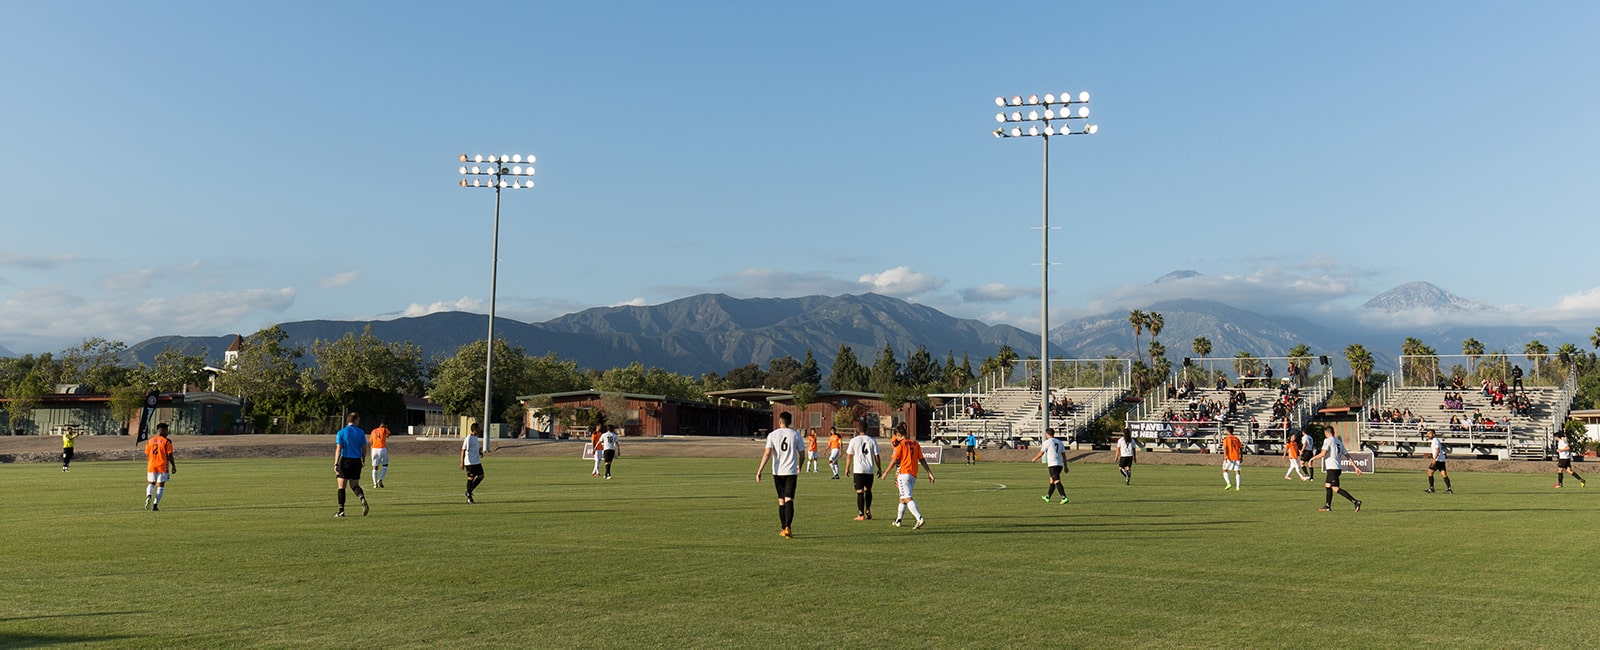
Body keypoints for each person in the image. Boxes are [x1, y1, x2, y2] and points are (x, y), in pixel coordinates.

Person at [755, 412, 804, 539]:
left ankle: (783, 528)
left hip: (777, 472)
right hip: (791, 472)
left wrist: (759, 470)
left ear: (779, 422)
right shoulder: (796, 434)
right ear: (790, 422)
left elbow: (767, 453)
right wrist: (800, 466)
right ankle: (788, 527)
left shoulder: (772, 435)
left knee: (781, 501)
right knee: (789, 500)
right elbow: (802, 454)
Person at [880, 423, 934, 529]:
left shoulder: (901, 445)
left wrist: (886, 472)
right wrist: (929, 472)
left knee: (907, 498)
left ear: (899, 434)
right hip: (913, 475)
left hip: (903, 474)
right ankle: (898, 520)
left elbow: (894, 459)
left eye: (896, 436)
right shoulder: (915, 443)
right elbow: (921, 459)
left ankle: (919, 518)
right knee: (902, 498)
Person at [1308, 428, 1362, 512]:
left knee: (1335, 488)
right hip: (1337, 468)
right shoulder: (1339, 442)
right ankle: (1327, 506)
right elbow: (1347, 455)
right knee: (1328, 485)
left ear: (1326, 433)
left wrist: (1312, 459)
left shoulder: (1328, 440)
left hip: (1332, 468)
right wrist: (1355, 467)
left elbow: (1323, 453)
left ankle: (1355, 501)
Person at [334, 413, 369, 517]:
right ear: (356, 420)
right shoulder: (361, 432)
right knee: (354, 485)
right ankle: (361, 497)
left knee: (341, 486)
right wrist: (363, 459)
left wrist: (336, 463)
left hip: (345, 460)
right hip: (356, 461)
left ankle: (341, 511)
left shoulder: (342, 432)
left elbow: (338, 448)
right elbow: (364, 448)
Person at [845, 426, 882, 521]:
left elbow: (849, 456)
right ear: (867, 429)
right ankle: (868, 509)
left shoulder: (853, 440)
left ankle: (861, 514)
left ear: (858, 430)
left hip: (858, 470)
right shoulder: (872, 440)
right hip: (869, 469)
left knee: (859, 492)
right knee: (868, 490)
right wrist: (879, 468)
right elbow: (877, 456)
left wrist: (847, 468)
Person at [1029, 428, 1068, 503]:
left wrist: (1034, 459)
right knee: (1052, 480)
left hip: (1053, 465)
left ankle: (1064, 497)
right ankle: (1048, 497)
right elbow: (1064, 455)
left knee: (1056, 481)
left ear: (1047, 434)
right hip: (1060, 464)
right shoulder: (1060, 442)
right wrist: (1066, 466)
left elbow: (1041, 453)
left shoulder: (1047, 442)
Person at [144, 423, 176, 511]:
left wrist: (150, 462)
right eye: (166, 430)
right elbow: (170, 455)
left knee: (151, 483)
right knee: (160, 486)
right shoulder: (167, 441)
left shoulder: (150, 441)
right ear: (162, 430)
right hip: (162, 466)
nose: (167, 433)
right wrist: (173, 466)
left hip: (151, 466)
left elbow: (147, 455)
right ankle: (155, 505)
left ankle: (149, 495)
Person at [461, 423, 486, 503]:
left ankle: (469, 491)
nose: (480, 430)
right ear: (475, 429)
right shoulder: (468, 439)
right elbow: (463, 450)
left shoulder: (475, 438)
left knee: (481, 476)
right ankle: (469, 497)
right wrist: (462, 463)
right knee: (470, 478)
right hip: (470, 462)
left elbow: (474, 448)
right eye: (478, 428)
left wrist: (479, 452)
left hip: (477, 461)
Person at [1424, 429, 1452, 494]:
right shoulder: (1437, 440)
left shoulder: (1435, 441)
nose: (1428, 435)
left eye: (1429, 434)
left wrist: (1434, 459)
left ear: (1433, 434)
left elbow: (1437, 450)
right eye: (1427, 434)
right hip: (1442, 460)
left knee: (1429, 473)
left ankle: (1431, 488)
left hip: (1437, 460)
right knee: (1444, 474)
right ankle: (1449, 489)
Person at [370, 417, 392, 488]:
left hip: (374, 449)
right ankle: (380, 479)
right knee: (385, 465)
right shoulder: (384, 429)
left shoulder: (373, 431)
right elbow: (389, 434)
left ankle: (375, 484)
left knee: (375, 467)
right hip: (382, 448)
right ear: (385, 425)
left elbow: (371, 441)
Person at [1220, 425, 1243, 491]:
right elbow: (1240, 448)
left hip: (1229, 457)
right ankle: (1238, 487)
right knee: (1237, 471)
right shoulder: (1236, 438)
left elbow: (1225, 448)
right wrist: (1241, 456)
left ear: (1227, 431)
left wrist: (1225, 456)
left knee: (1224, 470)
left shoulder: (1226, 439)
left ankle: (1228, 483)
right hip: (1236, 457)